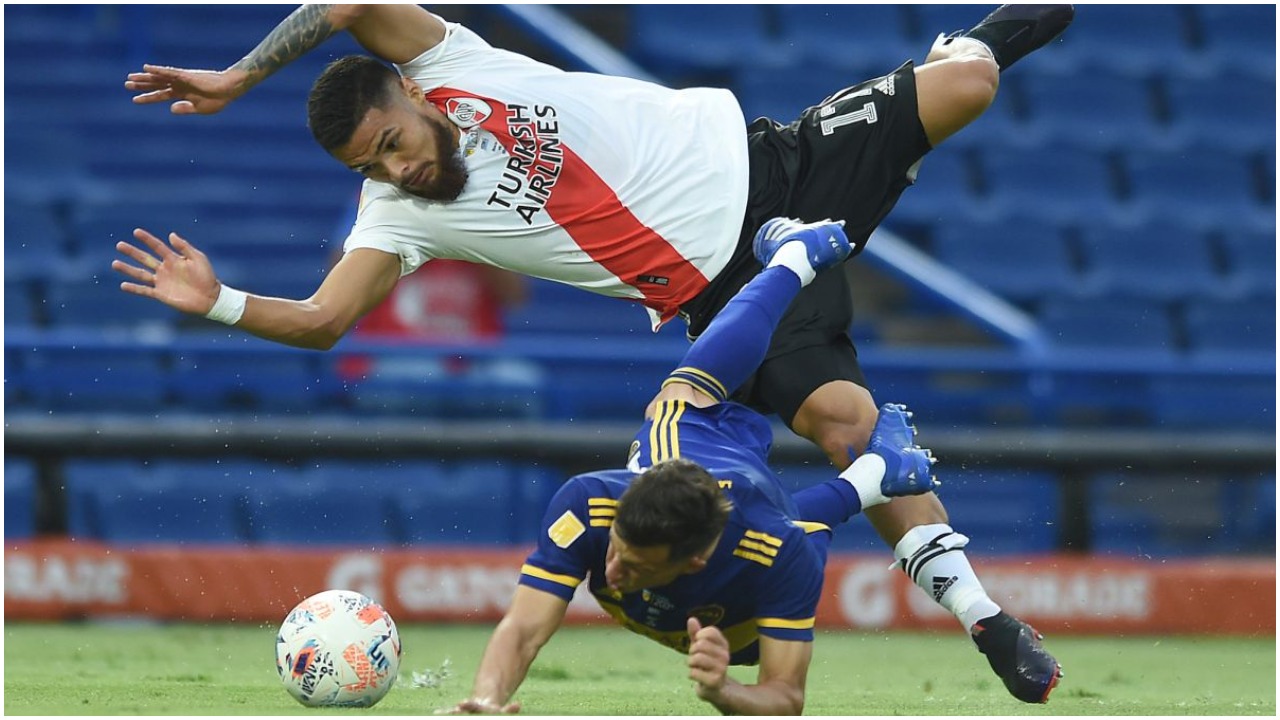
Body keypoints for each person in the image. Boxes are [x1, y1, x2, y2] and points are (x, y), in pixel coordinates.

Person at [113, 4, 1071, 702]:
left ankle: (961, 43)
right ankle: (986, 618)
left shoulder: (454, 57)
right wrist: (223, 302)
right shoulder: (399, 217)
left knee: (971, 82)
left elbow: (352, 4)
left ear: (409, 90)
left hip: (766, 164)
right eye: (371, 166)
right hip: (727, 293)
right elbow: (325, 320)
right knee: (849, 429)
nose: (396, 168)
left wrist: (241, 75)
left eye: (393, 142)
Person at [446, 217, 951, 715]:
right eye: (619, 547)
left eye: (638, 565)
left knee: (795, 529)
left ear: (694, 562)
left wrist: (724, 692)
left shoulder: (779, 552)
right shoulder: (591, 504)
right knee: (677, 399)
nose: (611, 569)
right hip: (702, 449)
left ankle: (874, 473)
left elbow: (786, 698)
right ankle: (794, 261)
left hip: (749, 609)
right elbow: (522, 630)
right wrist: (487, 700)